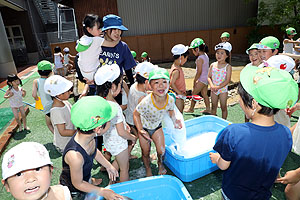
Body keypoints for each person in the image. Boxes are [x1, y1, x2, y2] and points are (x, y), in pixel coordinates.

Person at [210, 65, 298, 200]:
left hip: (234, 194)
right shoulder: (286, 134)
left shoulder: (233, 132)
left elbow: (223, 165)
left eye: (240, 97)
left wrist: (216, 159)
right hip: (262, 195)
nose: (239, 100)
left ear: (253, 103)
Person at [59, 96, 123, 200]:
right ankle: (89, 182)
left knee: (86, 178)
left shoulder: (90, 137)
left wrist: (108, 166)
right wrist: (102, 191)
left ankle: (90, 180)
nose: (111, 122)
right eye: (109, 121)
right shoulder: (75, 156)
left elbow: (94, 151)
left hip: (82, 175)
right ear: (98, 129)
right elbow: (78, 184)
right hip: (74, 189)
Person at [133, 68, 182, 177]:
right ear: (150, 85)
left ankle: (160, 163)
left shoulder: (170, 99)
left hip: (157, 127)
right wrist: (140, 130)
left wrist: (175, 120)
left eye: (164, 82)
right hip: (144, 129)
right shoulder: (146, 101)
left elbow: (170, 110)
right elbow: (136, 114)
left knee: (161, 150)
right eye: (156, 82)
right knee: (145, 152)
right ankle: (148, 168)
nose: (161, 86)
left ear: (169, 84)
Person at [94, 64, 136, 182]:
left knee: (118, 161)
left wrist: (124, 123)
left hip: (109, 142)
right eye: (120, 85)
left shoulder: (102, 102)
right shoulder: (114, 106)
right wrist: (132, 137)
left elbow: (111, 122)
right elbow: (121, 133)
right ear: (113, 86)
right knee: (124, 168)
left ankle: (112, 182)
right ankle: (123, 191)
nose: (122, 88)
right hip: (119, 143)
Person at [1, 142, 71, 200]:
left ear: (50, 172)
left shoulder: (63, 193)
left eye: (37, 169)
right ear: (6, 185)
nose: (31, 179)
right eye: (19, 174)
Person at [100, 14, 136, 105]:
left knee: (118, 111)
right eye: (114, 29)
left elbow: (128, 68)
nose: (118, 32)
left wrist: (132, 84)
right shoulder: (96, 44)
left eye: (119, 30)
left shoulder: (123, 46)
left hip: (116, 88)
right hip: (99, 87)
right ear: (106, 30)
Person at [125, 62, 157, 159]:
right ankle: (145, 156)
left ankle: (126, 155)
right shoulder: (142, 97)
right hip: (136, 122)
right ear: (147, 81)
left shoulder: (135, 86)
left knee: (132, 141)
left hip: (130, 119)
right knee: (142, 139)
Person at [76, 14, 118, 83]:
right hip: (94, 72)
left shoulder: (83, 39)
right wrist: (118, 39)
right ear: (89, 29)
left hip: (83, 72)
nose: (101, 30)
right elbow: (113, 44)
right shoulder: (96, 40)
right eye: (98, 28)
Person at [44, 75, 76, 153]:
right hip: (65, 144)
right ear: (59, 94)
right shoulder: (56, 111)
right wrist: (79, 132)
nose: (70, 92)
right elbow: (63, 131)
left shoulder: (65, 102)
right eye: (68, 90)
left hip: (71, 139)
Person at [208, 42, 232, 119]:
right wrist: (211, 85)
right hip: (213, 89)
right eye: (217, 53)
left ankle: (224, 122)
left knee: (223, 107)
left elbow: (227, 80)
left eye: (222, 53)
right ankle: (213, 122)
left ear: (227, 55)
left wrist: (218, 87)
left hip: (223, 89)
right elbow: (209, 77)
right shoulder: (212, 65)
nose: (219, 55)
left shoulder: (228, 67)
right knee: (213, 106)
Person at [186, 38, 210, 113]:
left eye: (193, 50)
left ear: (197, 49)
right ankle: (208, 108)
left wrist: (195, 80)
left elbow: (199, 71)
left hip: (201, 79)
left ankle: (191, 109)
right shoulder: (205, 56)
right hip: (206, 79)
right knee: (204, 94)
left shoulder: (199, 59)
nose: (192, 52)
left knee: (194, 93)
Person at [32, 60, 54, 133]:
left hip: (47, 106)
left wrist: (37, 99)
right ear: (50, 71)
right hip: (56, 104)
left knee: (49, 124)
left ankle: (57, 137)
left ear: (38, 72)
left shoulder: (36, 81)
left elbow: (34, 95)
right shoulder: (52, 80)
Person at [169, 44, 189, 113]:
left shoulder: (176, 66)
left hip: (178, 95)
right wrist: (180, 93)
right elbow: (172, 83)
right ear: (182, 57)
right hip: (177, 96)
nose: (186, 60)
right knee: (179, 114)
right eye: (186, 58)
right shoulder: (176, 70)